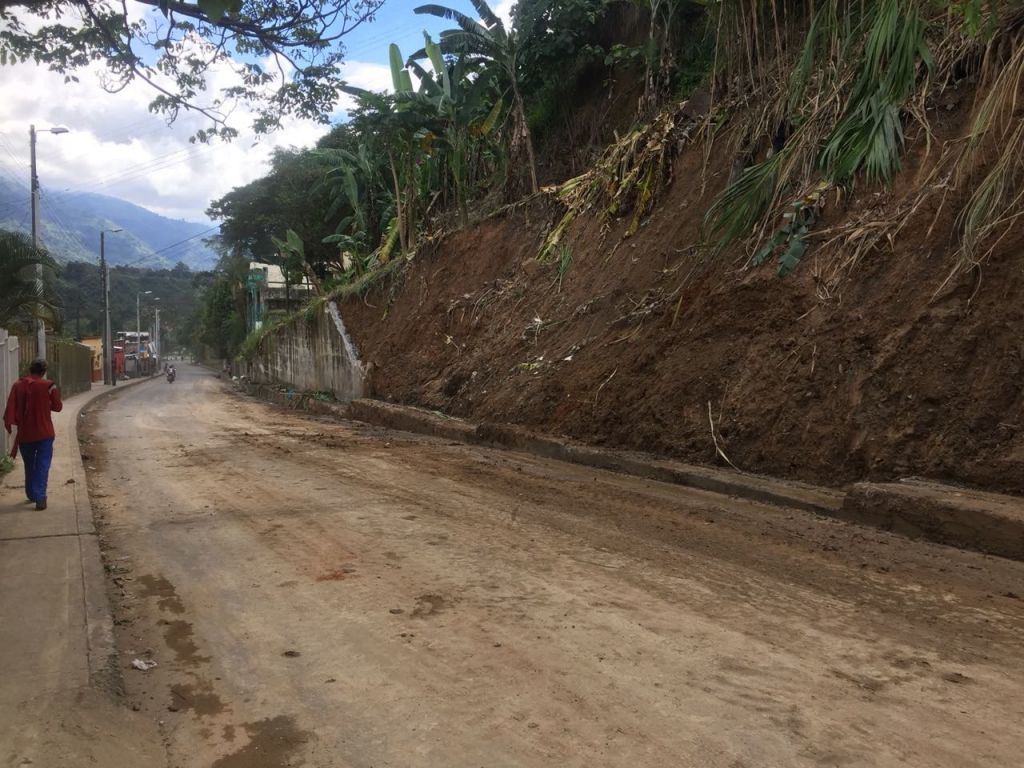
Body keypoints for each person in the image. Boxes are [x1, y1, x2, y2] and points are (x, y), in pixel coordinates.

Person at [4, 358, 63, 510]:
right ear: (44, 371)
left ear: (30, 369)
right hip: (45, 433)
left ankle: (31, 494)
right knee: (42, 466)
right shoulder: (49, 385)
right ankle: (40, 497)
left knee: (29, 465)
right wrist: (46, 404)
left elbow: (11, 406)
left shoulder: (18, 385)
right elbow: (58, 407)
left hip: (25, 435)